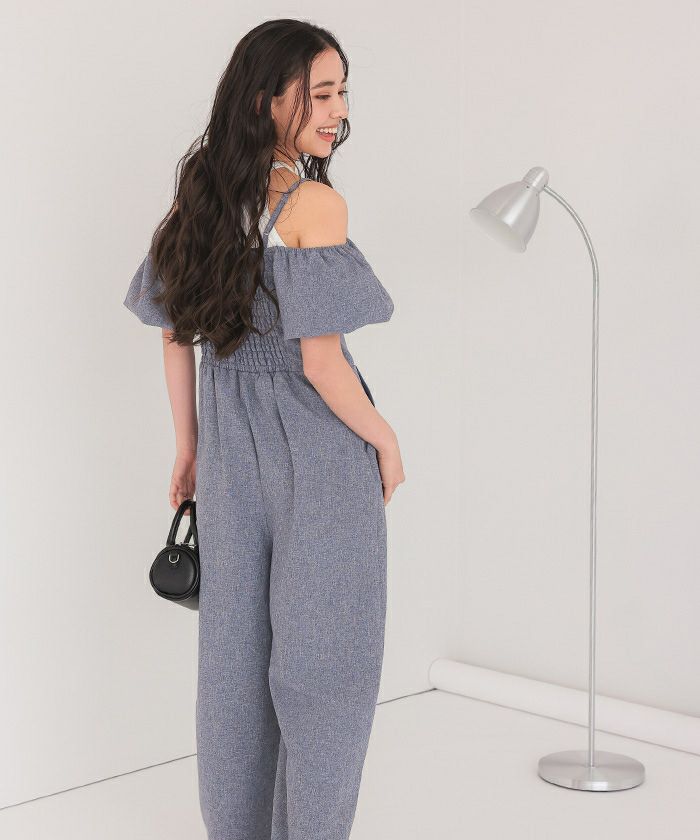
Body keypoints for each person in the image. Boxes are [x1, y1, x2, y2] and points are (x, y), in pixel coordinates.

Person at [123, 18, 405, 840]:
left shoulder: (203, 202)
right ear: (265, 100)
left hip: (229, 453)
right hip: (319, 453)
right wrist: (385, 438)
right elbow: (322, 365)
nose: (338, 110)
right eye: (321, 93)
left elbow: (174, 335)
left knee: (234, 669)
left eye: (343, 92)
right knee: (328, 669)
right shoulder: (314, 205)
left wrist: (190, 449)